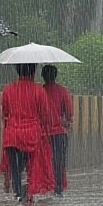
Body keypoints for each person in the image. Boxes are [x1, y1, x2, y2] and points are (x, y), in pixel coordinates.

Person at [0, 63, 56, 204]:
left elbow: (5, 114)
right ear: (34, 71)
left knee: (15, 166)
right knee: (32, 165)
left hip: (12, 134)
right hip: (32, 135)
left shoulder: (8, 90)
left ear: (17, 70)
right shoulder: (39, 91)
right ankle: (29, 190)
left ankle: (18, 193)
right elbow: (44, 115)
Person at [40, 64, 74, 195]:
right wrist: (65, 121)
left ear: (43, 76)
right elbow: (69, 113)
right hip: (59, 133)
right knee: (59, 161)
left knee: (44, 161)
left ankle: (45, 186)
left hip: (43, 134)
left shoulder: (39, 91)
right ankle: (58, 188)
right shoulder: (63, 91)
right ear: (55, 76)